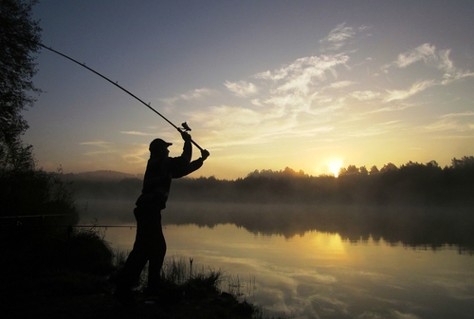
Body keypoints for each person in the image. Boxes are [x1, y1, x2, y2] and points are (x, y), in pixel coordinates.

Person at [115, 130, 209, 305]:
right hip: (149, 210)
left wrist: (201, 161)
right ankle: (148, 290)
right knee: (156, 249)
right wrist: (187, 141)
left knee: (143, 251)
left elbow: (181, 170)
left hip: (148, 210)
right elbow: (183, 161)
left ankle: (126, 287)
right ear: (159, 150)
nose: (167, 151)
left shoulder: (161, 164)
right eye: (165, 148)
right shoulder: (160, 162)